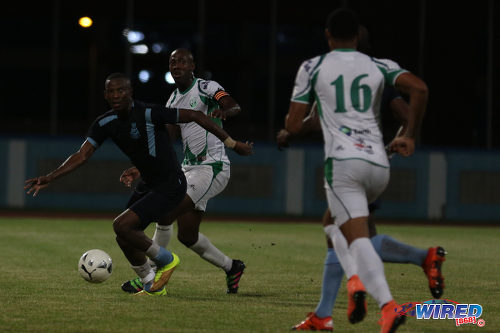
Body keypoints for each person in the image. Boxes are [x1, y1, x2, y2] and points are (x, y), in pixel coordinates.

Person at [278, 27, 446, 331]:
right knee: (339, 229)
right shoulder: (377, 69)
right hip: (376, 161)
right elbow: (408, 110)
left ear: (330, 37)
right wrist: (403, 138)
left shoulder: (326, 70)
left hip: (348, 164)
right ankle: (325, 312)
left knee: (352, 237)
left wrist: (290, 130)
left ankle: (363, 288)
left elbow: (311, 119)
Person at [24, 73, 253, 296]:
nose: (116, 95)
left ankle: (163, 264)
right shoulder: (106, 122)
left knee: (141, 222)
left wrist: (233, 144)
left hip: (189, 176)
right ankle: (165, 279)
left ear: (131, 92)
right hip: (160, 179)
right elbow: (82, 155)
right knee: (175, 235)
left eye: (121, 90)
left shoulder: (155, 109)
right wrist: (50, 177)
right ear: (105, 95)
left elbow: (198, 115)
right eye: (111, 91)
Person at [120, 48, 246, 295]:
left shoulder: (206, 88)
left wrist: (224, 111)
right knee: (188, 236)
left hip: (212, 167)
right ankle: (232, 267)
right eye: (172, 62)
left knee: (164, 212)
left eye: (181, 61)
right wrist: (142, 166)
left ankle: (152, 276)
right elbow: (165, 141)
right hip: (190, 170)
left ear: (192, 66)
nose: (176, 65)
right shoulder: (172, 100)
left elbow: (233, 105)